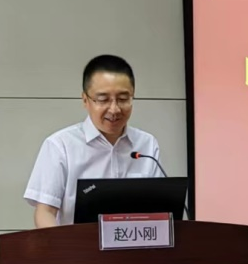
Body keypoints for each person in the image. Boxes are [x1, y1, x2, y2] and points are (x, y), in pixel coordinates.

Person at [23, 54, 162, 227]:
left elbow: (160, 210)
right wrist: (59, 244)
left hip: (136, 243)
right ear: (85, 100)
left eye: (123, 99)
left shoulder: (147, 145)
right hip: (76, 244)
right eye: (103, 99)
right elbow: (45, 212)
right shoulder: (60, 146)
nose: (114, 109)